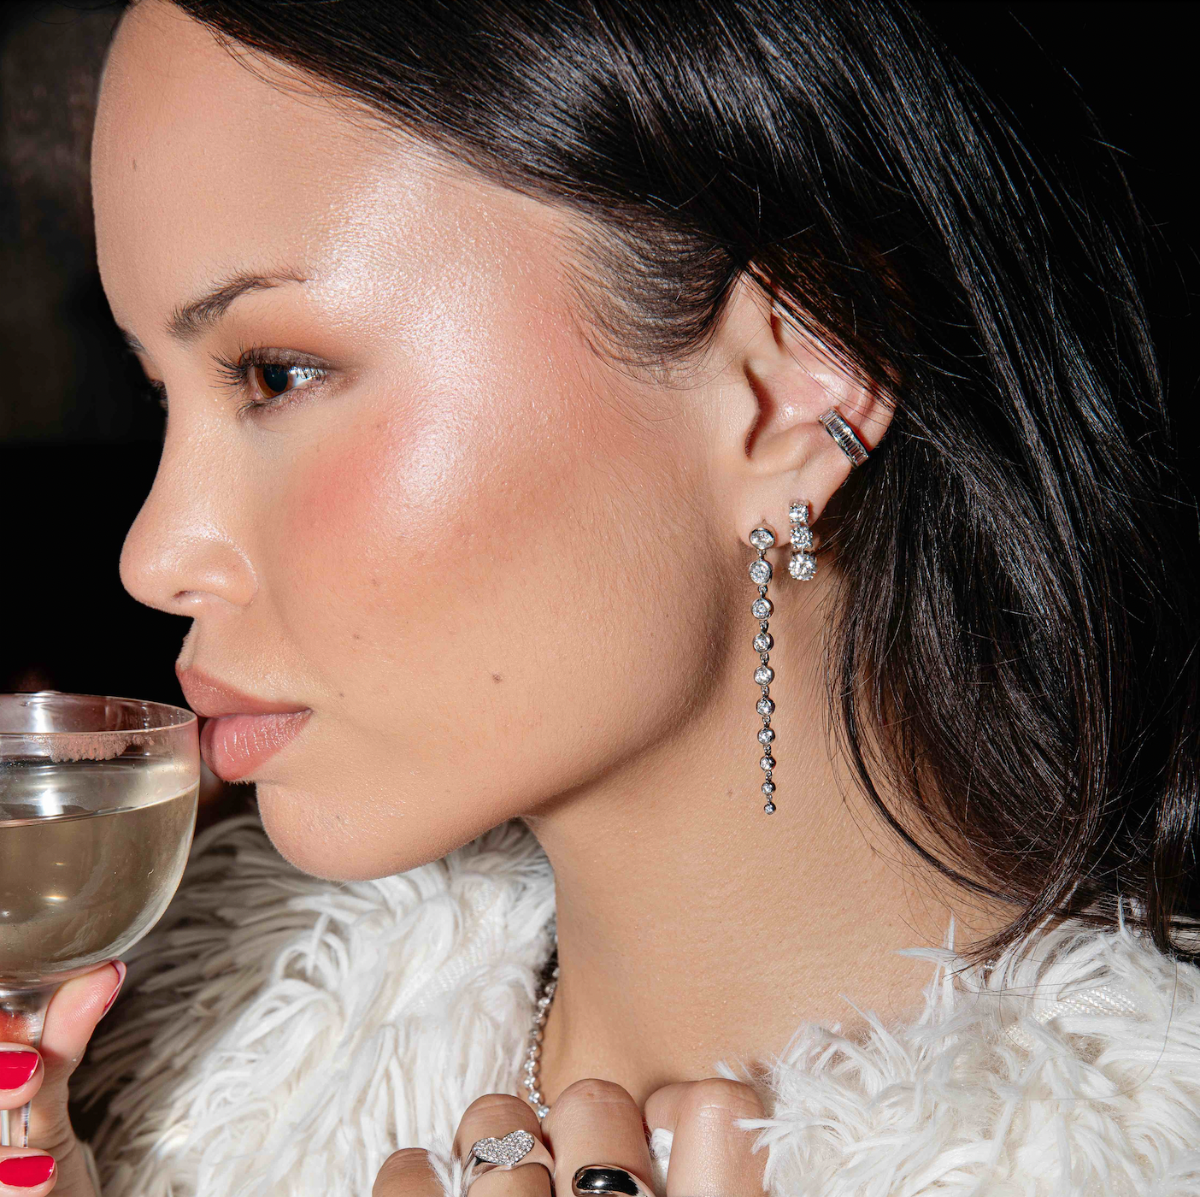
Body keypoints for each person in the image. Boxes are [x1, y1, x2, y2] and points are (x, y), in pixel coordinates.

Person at [2, 0, 1198, 1193]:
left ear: (787, 381)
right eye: (160, 394)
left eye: (278, 373)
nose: (155, 554)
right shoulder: (170, 1071)